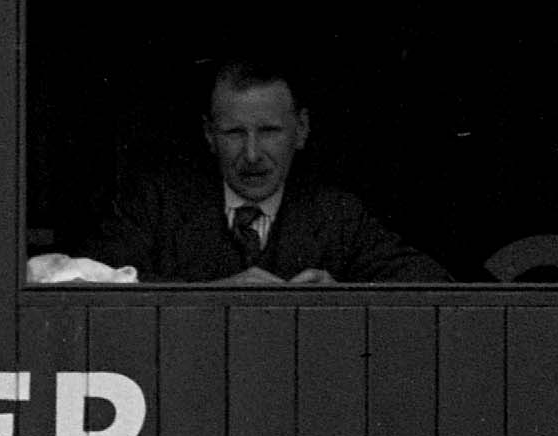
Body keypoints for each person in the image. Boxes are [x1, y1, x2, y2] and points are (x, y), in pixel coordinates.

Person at [114, 52, 435, 288]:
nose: (252, 154)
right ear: (209, 135)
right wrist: (209, 295)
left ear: (302, 129)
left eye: (269, 131)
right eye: (234, 133)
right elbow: (84, 278)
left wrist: (344, 296)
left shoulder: (338, 215)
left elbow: (432, 285)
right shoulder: (157, 204)